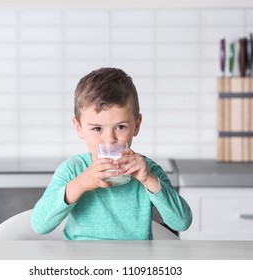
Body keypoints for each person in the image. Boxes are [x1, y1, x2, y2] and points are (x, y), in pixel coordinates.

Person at [31, 67, 192, 240]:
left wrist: (148, 180)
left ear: (136, 125)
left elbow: (182, 222)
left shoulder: (147, 170)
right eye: (97, 128)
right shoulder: (72, 170)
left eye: (121, 127)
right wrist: (81, 184)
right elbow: (39, 225)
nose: (110, 139)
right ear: (79, 128)